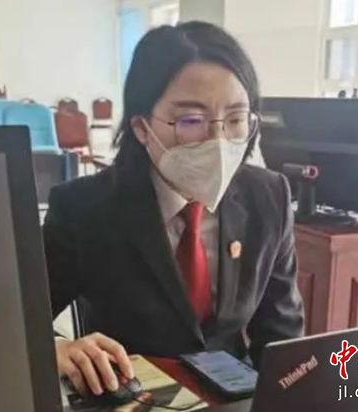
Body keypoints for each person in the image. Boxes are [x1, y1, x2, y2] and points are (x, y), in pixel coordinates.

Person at [44, 21, 304, 397]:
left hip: (233, 397)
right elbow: (16, 320)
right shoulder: (82, 209)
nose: (218, 141)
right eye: (191, 121)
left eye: (235, 119)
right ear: (141, 127)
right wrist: (58, 348)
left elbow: (282, 339)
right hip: (132, 397)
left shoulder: (268, 197)